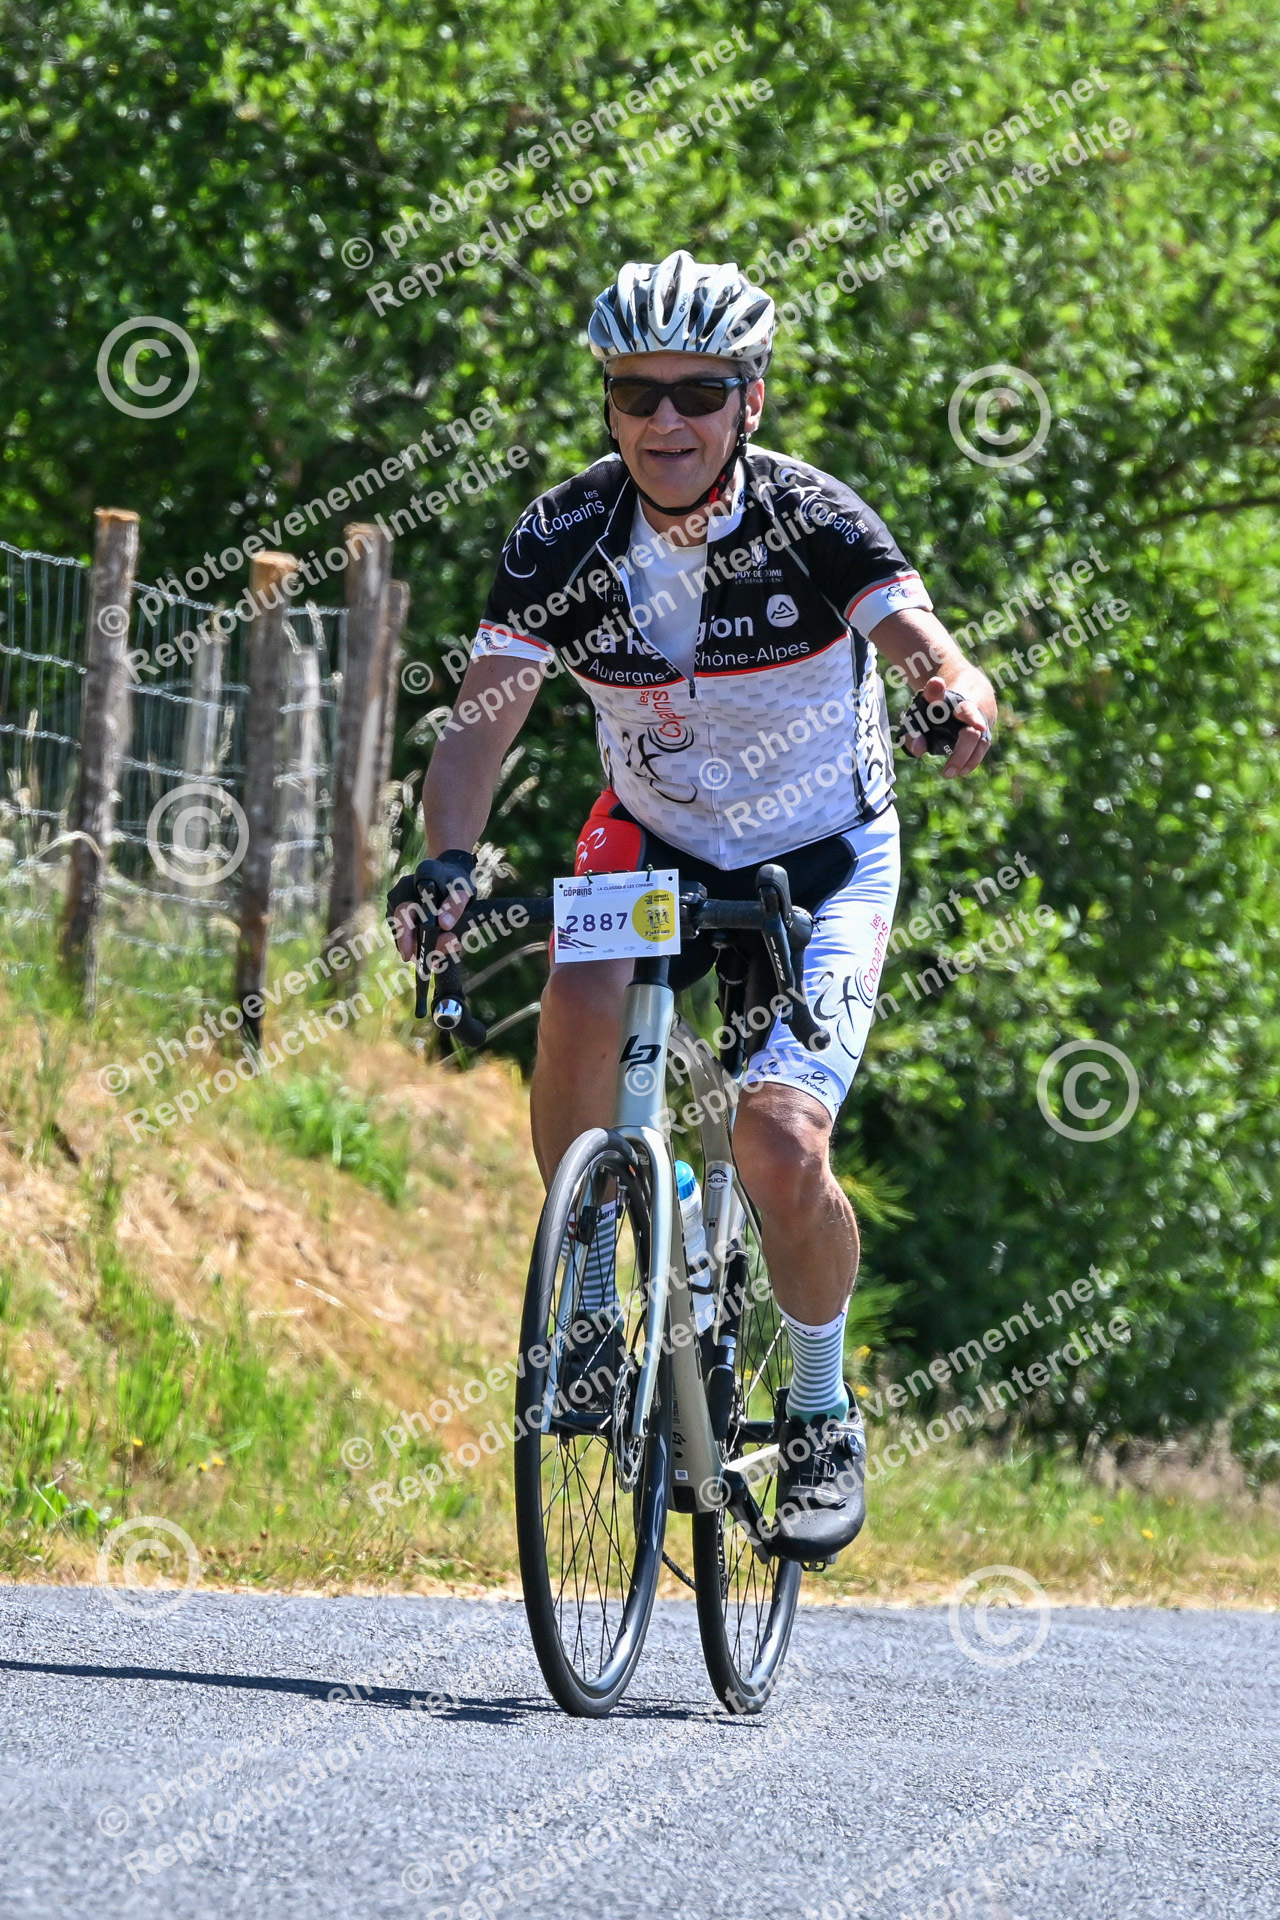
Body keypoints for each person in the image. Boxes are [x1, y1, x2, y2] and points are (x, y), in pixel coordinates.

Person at [392, 249, 996, 1561]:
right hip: (653, 835)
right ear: (609, 403)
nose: (666, 420)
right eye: (636, 393)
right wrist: (447, 863)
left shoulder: (814, 517)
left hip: (823, 857)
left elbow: (926, 645)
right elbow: (481, 728)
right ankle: (589, 1301)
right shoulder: (561, 537)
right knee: (578, 999)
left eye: (698, 393)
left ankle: (822, 1410)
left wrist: (953, 695)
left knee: (777, 1144)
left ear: (749, 401)